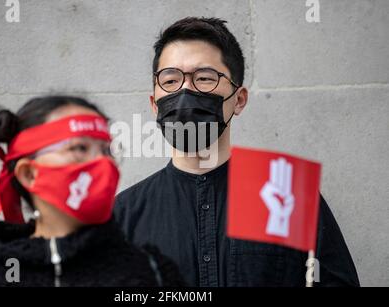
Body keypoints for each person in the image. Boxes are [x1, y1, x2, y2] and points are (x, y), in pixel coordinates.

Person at [114, 17, 360, 286]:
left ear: (239, 100)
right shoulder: (123, 216)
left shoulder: (289, 198)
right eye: (170, 80)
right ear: (154, 103)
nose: (185, 90)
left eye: (204, 78)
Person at [0, 96, 184, 287]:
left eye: (106, 150)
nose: (102, 163)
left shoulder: (154, 273)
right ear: (29, 174)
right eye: (79, 147)